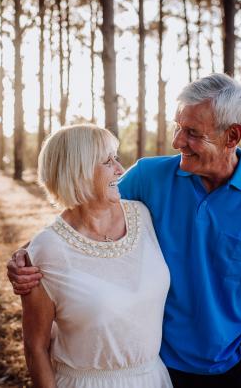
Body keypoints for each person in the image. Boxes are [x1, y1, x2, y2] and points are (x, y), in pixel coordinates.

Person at [9, 74, 241, 388]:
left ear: (232, 135)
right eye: (178, 126)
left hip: (228, 367)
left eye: (192, 132)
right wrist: (25, 256)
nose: (178, 141)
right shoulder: (150, 176)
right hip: (153, 365)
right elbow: (82, 211)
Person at [20, 124, 173, 388]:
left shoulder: (143, 215)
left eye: (117, 158)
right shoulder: (46, 251)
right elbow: (35, 348)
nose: (120, 170)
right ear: (77, 172)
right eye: (107, 161)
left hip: (154, 378)